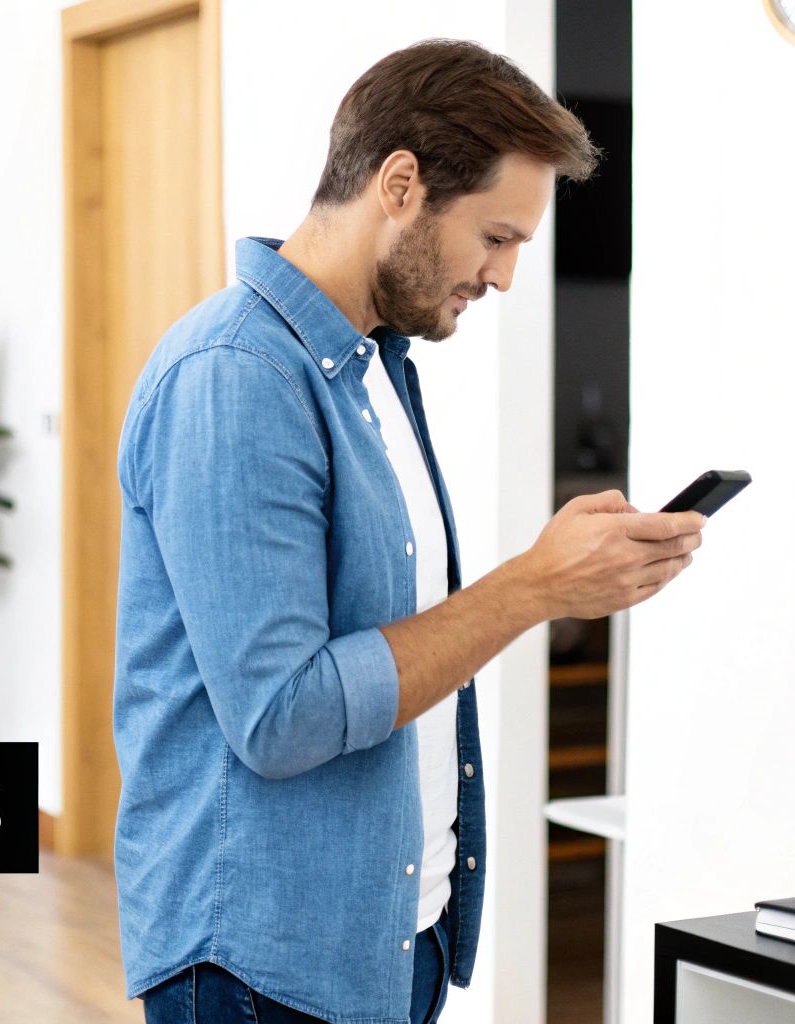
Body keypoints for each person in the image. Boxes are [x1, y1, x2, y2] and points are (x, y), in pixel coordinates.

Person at [112, 38, 706, 1024]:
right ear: (399, 186)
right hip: (262, 966)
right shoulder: (236, 377)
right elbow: (279, 715)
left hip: (391, 938)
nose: (507, 276)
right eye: (496, 236)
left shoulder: (376, 368)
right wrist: (535, 586)